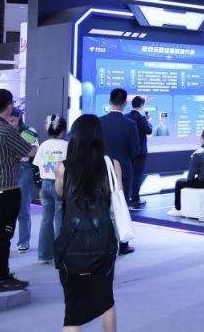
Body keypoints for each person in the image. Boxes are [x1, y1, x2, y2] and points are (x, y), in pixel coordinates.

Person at [54, 114, 121, 332]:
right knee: (105, 299)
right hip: (103, 242)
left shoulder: (63, 167)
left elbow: (60, 193)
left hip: (71, 243)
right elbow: (117, 195)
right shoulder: (112, 165)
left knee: (73, 311)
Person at [0, 89, 36, 292]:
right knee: (4, 233)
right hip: (6, 188)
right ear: (9, 105)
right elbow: (29, 151)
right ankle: (3, 277)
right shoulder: (6, 130)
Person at [99, 88, 139, 255]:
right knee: (122, 206)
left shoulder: (99, 122)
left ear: (110, 101)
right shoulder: (130, 124)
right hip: (124, 170)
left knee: (102, 205)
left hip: (102, 169)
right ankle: (123, 245)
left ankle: (104, 243)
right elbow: (135, 151)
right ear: (125, 103)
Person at [34, 115, 68, 264]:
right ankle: (59, 256)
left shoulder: (43, 145)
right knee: (60, 218)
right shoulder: (66, 145)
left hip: (45, 184)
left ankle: (44, 255)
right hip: (60, 184)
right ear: (63, 130)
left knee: (46, 219)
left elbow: (37, 164)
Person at [168, 130, 204, 216]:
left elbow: (190, 176)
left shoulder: (197, 153)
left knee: (179, 182)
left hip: (203, 183)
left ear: (201, 137)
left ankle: (178, 209)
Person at [10, 108, 37, 254]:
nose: (10, 123)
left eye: (12, 120)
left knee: (23, 207)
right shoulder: (4, 130)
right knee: (6, 208)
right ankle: (4, 241)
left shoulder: (28, 131)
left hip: (23, 168)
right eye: (8, 120)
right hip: (7, 168)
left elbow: (33, 151)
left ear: (19, 118)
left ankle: (23, 241)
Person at [126, 96, 152, 206]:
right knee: (138, 175)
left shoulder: (126, 116)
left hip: (128, 151)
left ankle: (127, 196)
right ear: (141, 105)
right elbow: (149, 130)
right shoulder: (141, 118)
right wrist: (148, 120)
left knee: (129, 174)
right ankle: (135, 198)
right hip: (140, 152)